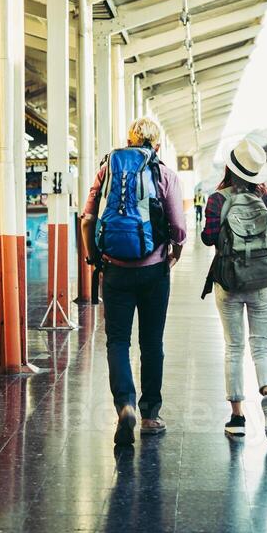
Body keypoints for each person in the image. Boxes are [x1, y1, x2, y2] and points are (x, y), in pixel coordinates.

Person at [81, 117, 187, 446]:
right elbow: (179, 228)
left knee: (117, 342)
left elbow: (87, 218)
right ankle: (151, 415)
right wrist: (176, 249)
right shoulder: (165, 174)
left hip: (115, 270)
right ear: (156, 146)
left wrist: (93, 257)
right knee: (152, 343)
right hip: (154, 269)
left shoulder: (107, 169)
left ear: (128, 140)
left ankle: (124, 404)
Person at [201, 133, 267, 442]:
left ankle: (237, 417)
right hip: (264, 282)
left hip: (229, 281)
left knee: (234, 347)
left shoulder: (218, 199)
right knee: (261, 345)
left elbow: (208, 237)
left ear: (230, 168)